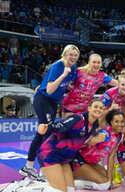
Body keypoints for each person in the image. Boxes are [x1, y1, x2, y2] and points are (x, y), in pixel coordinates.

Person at [0, 99, 102, 192]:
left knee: (70, 190)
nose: (98, 109)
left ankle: (27, 183)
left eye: (101, 108)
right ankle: (16, 189)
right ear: (89, 108)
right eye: (96, 106)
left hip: (64, 158)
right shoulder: (78, 118)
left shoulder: (93, 126)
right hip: (50, 154)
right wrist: (46, 128)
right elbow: (60, 125)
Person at [19, 44, 80, 181]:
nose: (73, 57)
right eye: (71, 54)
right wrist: (63, 75)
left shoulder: (73, 68)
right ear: (64, 54)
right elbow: (49, 90)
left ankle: (30, 166)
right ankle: (42, 170)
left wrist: (68, 86)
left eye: (76, 55)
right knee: (45, 132)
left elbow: (63, 84)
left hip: (53, 103)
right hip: (43, 99)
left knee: (44, 132)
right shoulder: (57, 67)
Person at [71, 110, 125, 190]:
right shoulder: (104, 133)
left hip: (91, 163)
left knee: (109, 180)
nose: (120, 124)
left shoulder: (119, 136)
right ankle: (73, 183)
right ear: (111, 122)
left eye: (122, 121)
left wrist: (110, 182)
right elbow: (83, 144)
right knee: (104, 184)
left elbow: (111, 158)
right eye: (117, 121)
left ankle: (76, 175)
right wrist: (93, 140)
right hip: (80, 160)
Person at [61, 54, 121, 118]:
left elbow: (119, 84)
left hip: (85, 110)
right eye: (94, 62)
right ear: (89, 62)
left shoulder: (102, 76)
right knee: (67, 127)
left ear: (101, 64)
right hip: (70, 107)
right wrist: (70, 87)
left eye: (98, 62)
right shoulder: (79, 71)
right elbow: (63, 80)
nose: (96, 65)